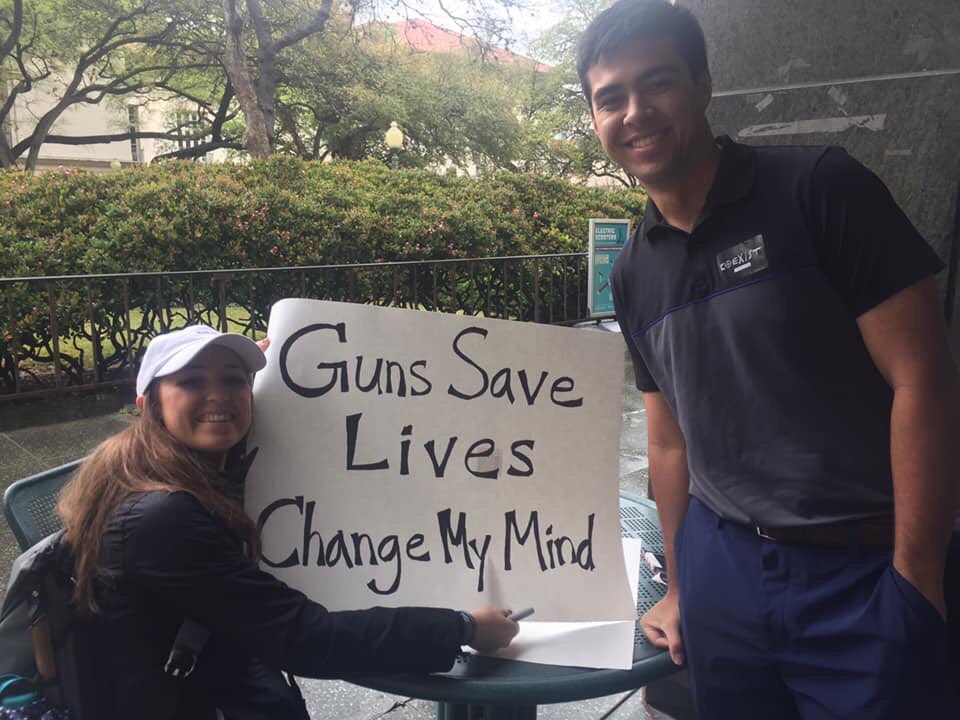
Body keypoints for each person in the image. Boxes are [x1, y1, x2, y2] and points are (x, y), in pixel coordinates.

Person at [576, 1, 959, 717]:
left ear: (703, 86)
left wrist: (917, 573)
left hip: (864, 569)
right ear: (596, 120)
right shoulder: (631, 273)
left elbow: (926, 381)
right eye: (610, 98)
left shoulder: (820, 189)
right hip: (724, 574)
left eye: (656, 83)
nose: (635, 112)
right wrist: (685, 584)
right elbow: (667, 439)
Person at [56, 324, 518, 720]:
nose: (218, 395)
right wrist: (461, 627)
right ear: (148, 404)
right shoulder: (163, 518)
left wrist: (284, 380)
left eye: (234, 381)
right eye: (192, 382)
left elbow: (246, 477)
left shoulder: (152, 471)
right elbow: (306, 638)